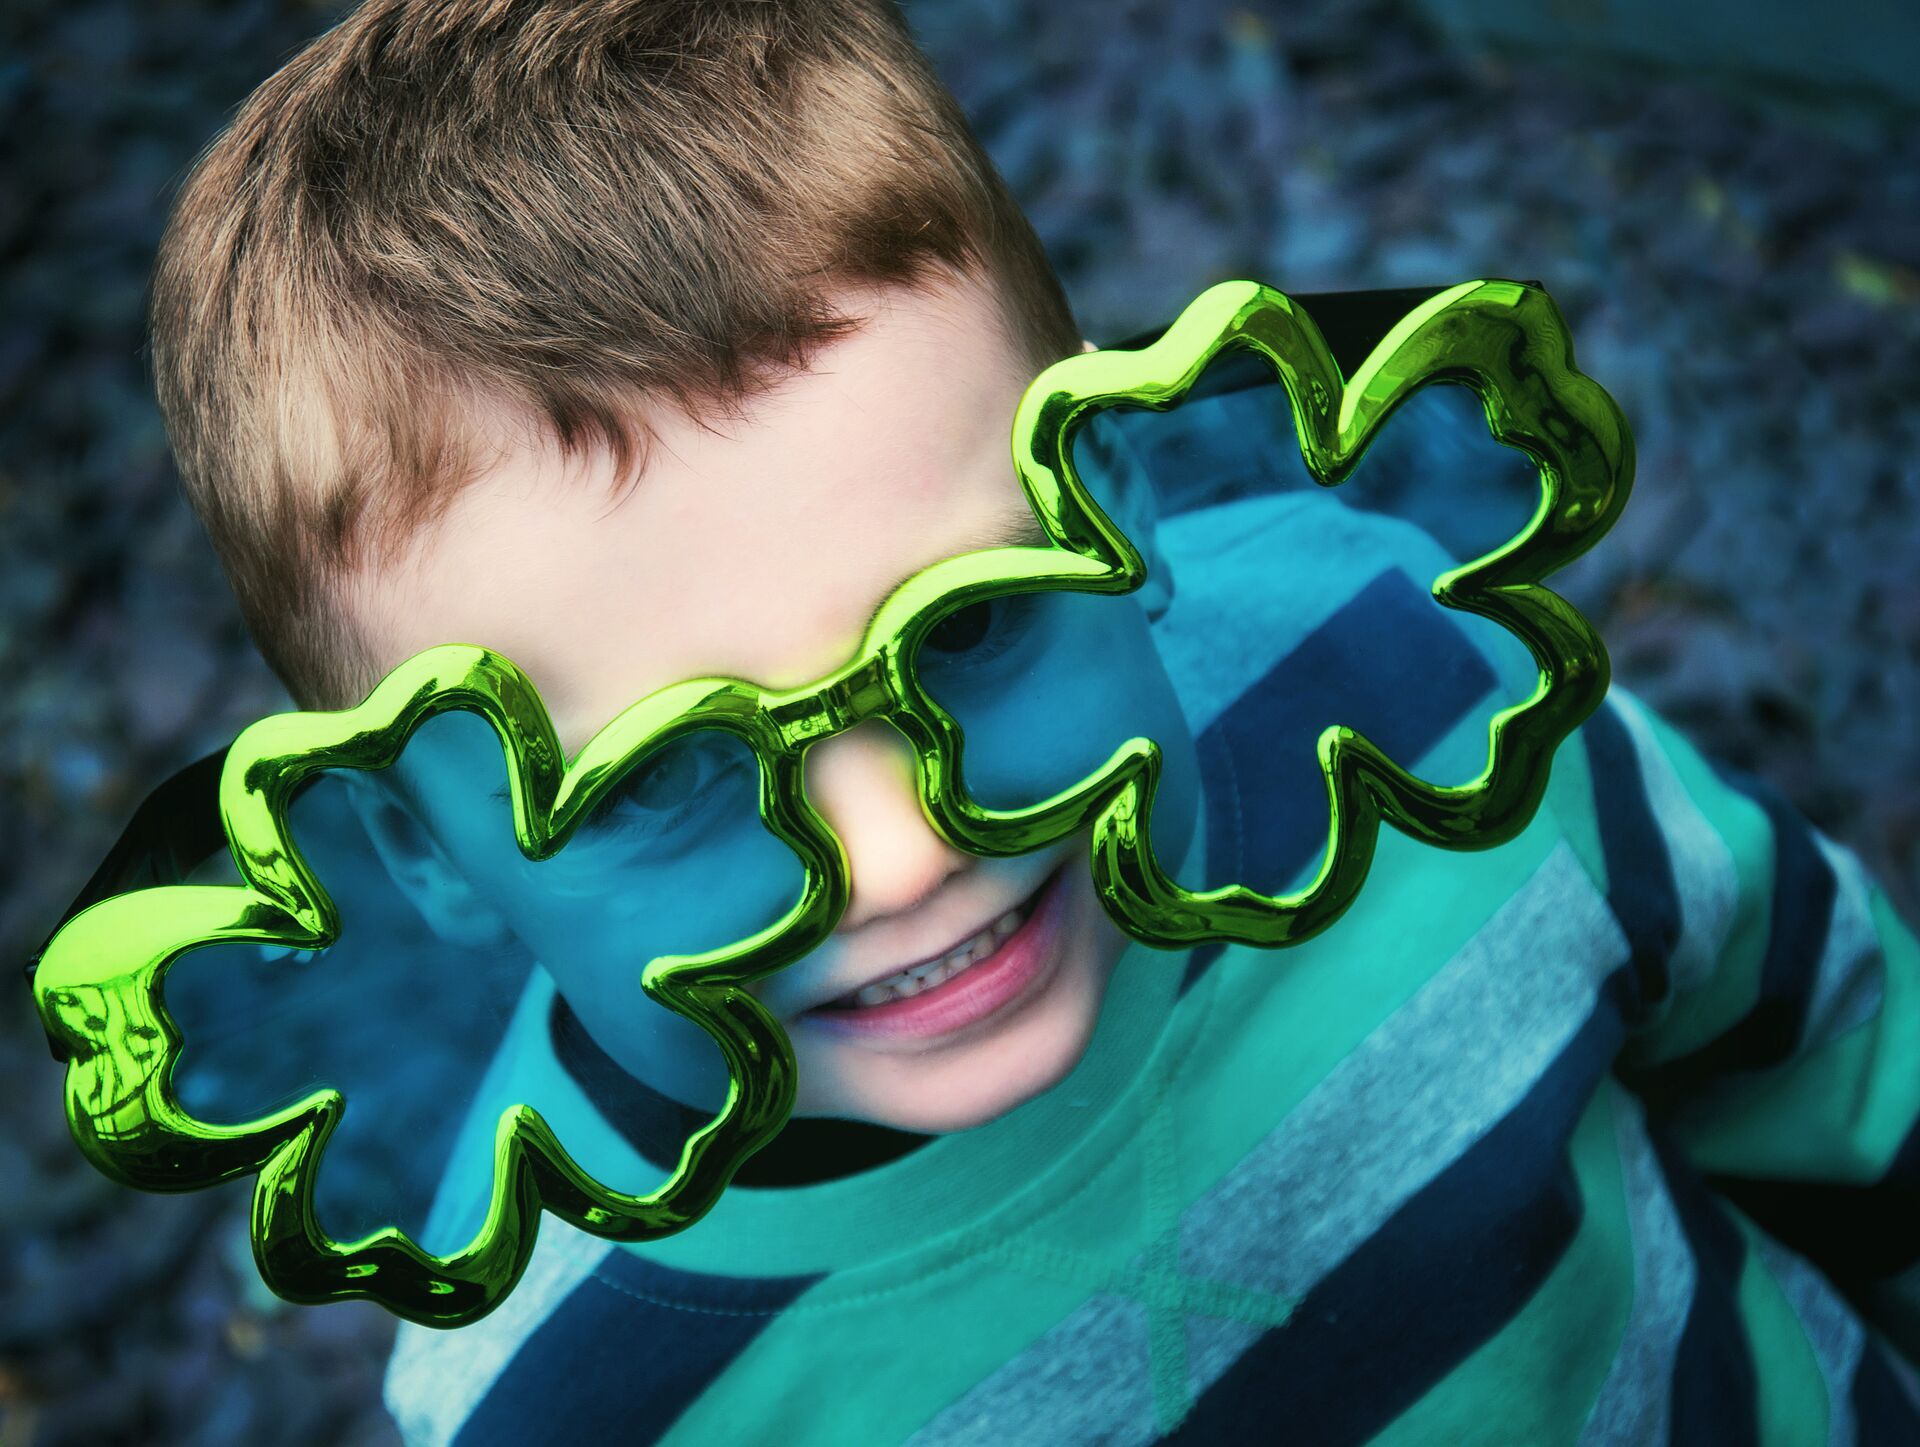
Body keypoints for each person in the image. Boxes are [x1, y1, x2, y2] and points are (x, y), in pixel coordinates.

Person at [144, 1, 1920, 1442]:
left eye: (974, 628)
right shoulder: (558, 1389)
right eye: (670, 779)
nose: (907, 850)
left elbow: (1816, 1032)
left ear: (1120, 500)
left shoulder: (1420, 699)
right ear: (416, 843)